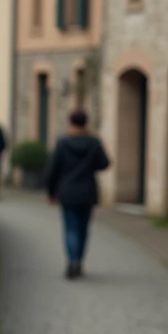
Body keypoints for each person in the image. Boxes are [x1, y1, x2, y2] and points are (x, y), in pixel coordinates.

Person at [45, 110, 110, 279]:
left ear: (70, 123)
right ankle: (79, 261)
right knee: (83, 229)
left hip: (67, 191)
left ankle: (72, 260)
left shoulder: (63, 143)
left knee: (70, 228)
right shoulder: (94, 143)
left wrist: (51, 192)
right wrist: (90, 165)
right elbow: (104, 163)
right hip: (87, 190)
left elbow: (53, 169)